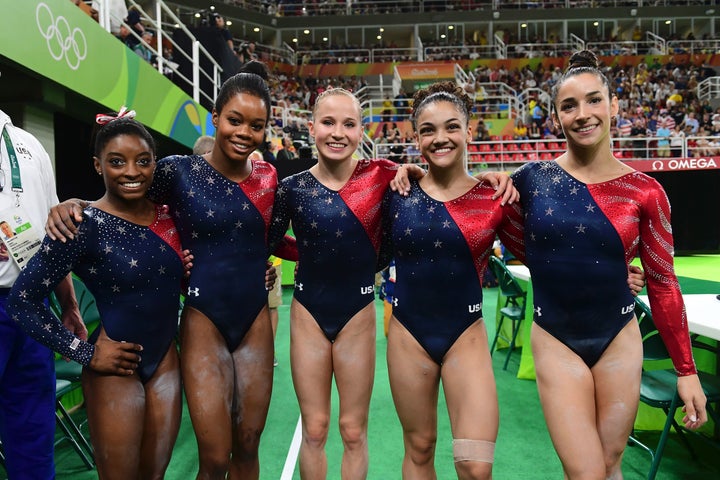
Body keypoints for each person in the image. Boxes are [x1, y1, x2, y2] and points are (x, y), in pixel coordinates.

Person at [44, 61, 292, 480]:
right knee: (214, 457)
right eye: (234, 120)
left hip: (254, 323)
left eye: (256, 125)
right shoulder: (177, 172)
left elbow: (268, 237)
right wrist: (75, 205)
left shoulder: (269, 177)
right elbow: (125, 193)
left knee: (248, 448)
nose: (244, 133)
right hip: (203, 322)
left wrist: (260, 265)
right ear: (215, 119)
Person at [267, 87, 516, 479]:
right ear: (311, 127)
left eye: (348, 123)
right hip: (338, 319)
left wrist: (493, 176)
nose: (337, 132)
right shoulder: (305, 186)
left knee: (465, 464)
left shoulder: (389, 177)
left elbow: (539, 245)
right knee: (330, 432)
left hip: (415, 323)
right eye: (328, 122)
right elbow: (265, 238)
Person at [511, 50, 707, 479]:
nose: (583, 114)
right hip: (556, 338)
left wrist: (686, 371)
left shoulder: (646, 191)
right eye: (569, 105)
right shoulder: (531, 180)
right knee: (585, 472)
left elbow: (663, 281)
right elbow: (491, 229)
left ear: (614, 105)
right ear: (556, 116)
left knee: (610, 464)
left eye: (594, 100)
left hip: (618, 336)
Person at [9, 111, 188, 479]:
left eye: (143, 161)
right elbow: (21, 301)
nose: (132, 172)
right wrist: (84, 353)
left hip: (166, 362)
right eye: (117, 162)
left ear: (155, 163)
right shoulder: (80, 225)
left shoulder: (170, 216)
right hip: (114, 368)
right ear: (97, 165)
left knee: (155, 475)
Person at [381, 82, 525, 480]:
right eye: (428, 130)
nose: (440, 138)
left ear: (469, 130)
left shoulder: (493, 196)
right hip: (409, 335)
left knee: (475, 466)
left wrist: (620, 272)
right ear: (415, 138)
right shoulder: (397, 193)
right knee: (420, 448)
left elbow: (543, 257)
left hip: (467, 336)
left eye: (451, 127)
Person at [0, 108, 84, 479]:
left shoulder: (30, 144)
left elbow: (54, 231)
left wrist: (69, 305)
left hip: (34, 306)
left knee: (33, 433)